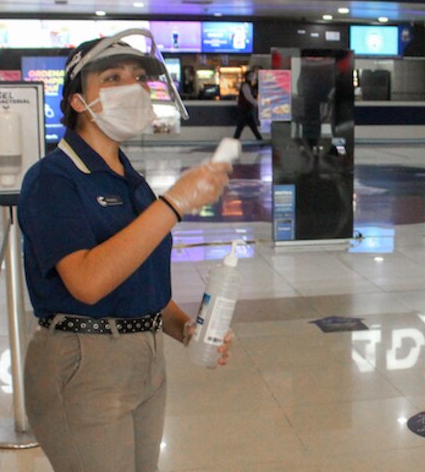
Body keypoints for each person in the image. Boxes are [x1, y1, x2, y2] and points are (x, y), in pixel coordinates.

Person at [18, 32, 233, 472]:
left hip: (146, 357)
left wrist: (185, 329)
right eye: (112, 78)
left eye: (138, 78)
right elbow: (88, 281)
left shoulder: (129, 180)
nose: (131, 87)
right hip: (84, 361)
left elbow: (137, 277)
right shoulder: (53, 179)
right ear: (79, 102)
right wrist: (173, 204)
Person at [232, 69, 263, 140]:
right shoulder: (245, 85)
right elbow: (249, 97)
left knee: (244, 127)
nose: (254, 77)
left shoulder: (251, 85)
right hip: (245, 110)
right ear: (248, 77)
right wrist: (256, 103)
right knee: (247, 127)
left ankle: (260, 141)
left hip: (246, 109)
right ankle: (261, 142)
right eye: (252, 76)